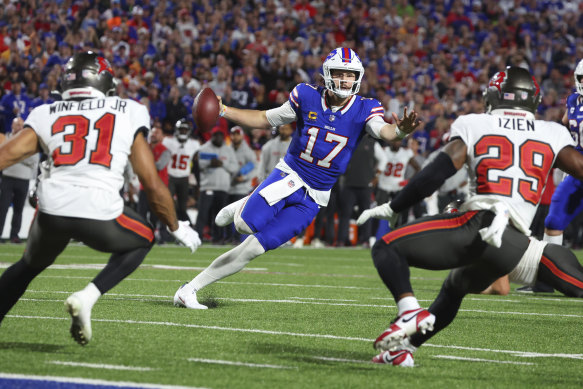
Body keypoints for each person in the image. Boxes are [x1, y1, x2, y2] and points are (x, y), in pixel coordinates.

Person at [356, 66, 582, 367]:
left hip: (478, 227)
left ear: (493, 96)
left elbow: (435, 174)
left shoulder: (475, 123)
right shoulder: (552, 131)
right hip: (515, 244)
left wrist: (395, 206)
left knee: (385, 246)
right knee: (455, 287)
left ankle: (409, 310)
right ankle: (404, 348)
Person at [173, 47, 420, 309]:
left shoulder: (364, 108)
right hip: (289, 176)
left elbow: (384, 131)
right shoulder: (307, 96)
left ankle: (189, 290)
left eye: (351, 75)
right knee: (244, 225)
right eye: (340, 73)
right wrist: (224, 110)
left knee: (254, 249)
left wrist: (401, 131)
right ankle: (248, 203)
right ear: (327, 74)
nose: (346, 80)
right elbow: (266, 118)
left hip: (315, 196)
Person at [0, 52, 201, 346]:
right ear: (105, 82)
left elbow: (5, 156)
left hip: (52, 210)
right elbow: (151, 183)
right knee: (144, 237)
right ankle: (88, 296)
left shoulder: (47, 112)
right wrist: (175, 226)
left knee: (28, 266)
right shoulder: (129, 110)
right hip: (101, 211)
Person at [442, 200, 583, 298]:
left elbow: (501, 288)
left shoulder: (483, 236)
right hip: (551, 258)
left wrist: (469, 289)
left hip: (548, 261)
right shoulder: (483, 232)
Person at [543, 59, 583, 248]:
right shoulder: (573, 100)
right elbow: (565, 123)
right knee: (553, 221)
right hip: (578, 170)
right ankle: (551, 272)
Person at [194, 126, 239, 243]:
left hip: (223, 187)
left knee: (220, 215)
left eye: (221, 135)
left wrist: (222, 164)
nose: (218, 138)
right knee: (203, 214)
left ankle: (218, 238)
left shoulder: (229, 150)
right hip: (207, 186)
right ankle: (197, 236)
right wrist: (210, 163)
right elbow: (198, 165)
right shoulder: (204, 148)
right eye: (216, 135)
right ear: (212, 136)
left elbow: (235, 168)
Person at [0, 117, 40, 243]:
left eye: (22, 125)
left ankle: (14, 235)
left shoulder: (27, 141)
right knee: (2, 208)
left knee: (19, 209)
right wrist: (22, 155)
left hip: (23, 179)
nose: (20, 128)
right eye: (17, 125)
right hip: (7, 178)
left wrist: (12, 156)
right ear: (12, 125)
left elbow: (34, 161)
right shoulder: (5, 139)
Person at [137, 123, 171, 244]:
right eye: (152, 132)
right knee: (141, 214)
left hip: (159, 188)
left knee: (159, 215)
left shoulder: (165, 151)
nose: (153, 135)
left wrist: (145, 159)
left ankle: (162, 237)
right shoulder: (144, 147)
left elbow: (159, 165)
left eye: (157, 133)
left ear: (162, 136)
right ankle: (140, 236)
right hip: (144, 187)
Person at [163, 119, 200, 223]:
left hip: (184, 178)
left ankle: (184, 227)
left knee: (182, 207)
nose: (183, 132)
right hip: (171, 177)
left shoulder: (194, 144)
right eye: (181, 129)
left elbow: (196, 163)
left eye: (185, 130)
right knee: (168, 204)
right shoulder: (168, 141)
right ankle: (166, 230)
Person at [226, 126, 257, 244]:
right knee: (227, 214)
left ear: (242, 135)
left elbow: (255, 168)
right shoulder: (227, 149)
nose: (235, 136)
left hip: (242, 187)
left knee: (238, 215)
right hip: (228, 187)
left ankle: (237, 238)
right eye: (233, 134)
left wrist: (244, 178)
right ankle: (228, 237)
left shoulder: (247, 151)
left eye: (237, 134)